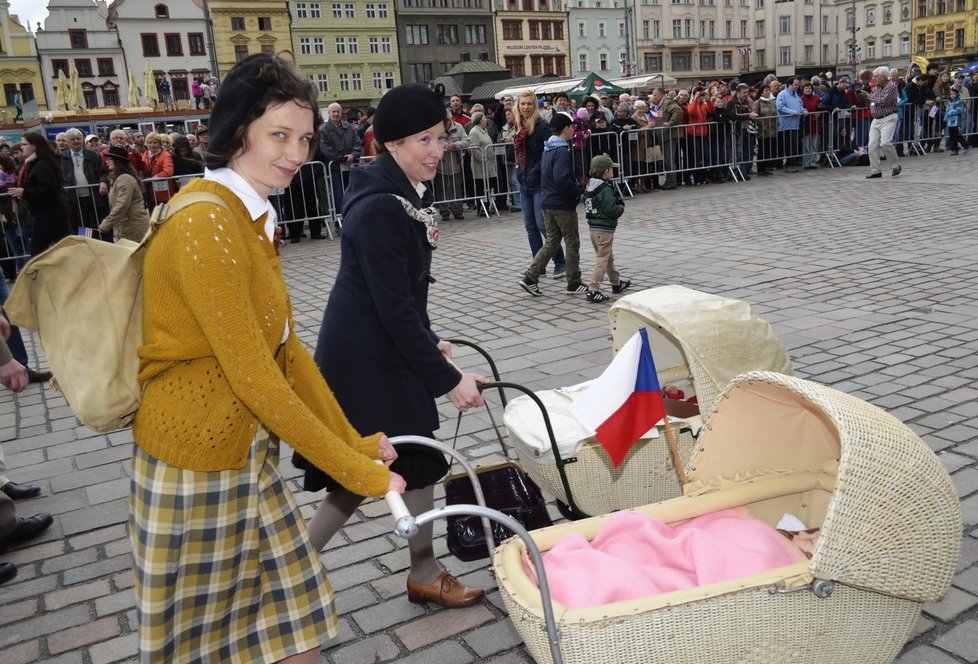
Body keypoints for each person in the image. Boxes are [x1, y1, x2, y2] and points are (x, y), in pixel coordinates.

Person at [130, 53, 404, 664]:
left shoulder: (251, 217)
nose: (296, 152)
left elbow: (286, 356)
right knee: (210, 647)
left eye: (304, 138)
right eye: (278, 135)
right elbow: (252, 374)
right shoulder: (207, 221)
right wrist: (356, 470)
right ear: (235, 133)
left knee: (295, 625)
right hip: (195, 468)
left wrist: (353, 441)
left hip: (245, 458)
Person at [292, 83, 486, 609]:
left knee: (411, 460)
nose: (436, 151)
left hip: (382, 347)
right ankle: (290, 577)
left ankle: (422, 571)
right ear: (392, 143)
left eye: (441, 138)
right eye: (423, 139)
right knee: (369, 469)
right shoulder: (381, 205)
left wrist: (432, 341)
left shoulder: (399, 191)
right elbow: (392, 308)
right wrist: (448, 381)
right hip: (364, 359)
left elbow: (401, 299)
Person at [518, 112, 586, 296]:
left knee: (552, 241)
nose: (574, 130)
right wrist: (576, 194)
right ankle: (574, 281)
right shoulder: (561, 150)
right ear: (566, 128)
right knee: (572, 242)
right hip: (561, 204)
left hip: (547, 202)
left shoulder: (548, 148)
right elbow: (561, 178)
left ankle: (530, 276)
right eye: (572, 127)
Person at [514, 90, 565, 278]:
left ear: (534, 105)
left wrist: (538, 170)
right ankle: (538, 266)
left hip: (538, 181)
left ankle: (561, 262)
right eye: (523, 104)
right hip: (524, 180)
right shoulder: (519, 125)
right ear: (518, 106)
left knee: (543, 225)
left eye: (529, 104)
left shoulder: (542, 125)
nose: (526, 107)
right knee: (530, 226)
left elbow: (549, 151)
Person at [9, 132, 70, 257]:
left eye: (24, 144)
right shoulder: (34, 164)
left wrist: (25, 192)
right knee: (65, 248)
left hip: (49, 214)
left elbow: (49, 189)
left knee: (38, 253)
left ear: (35, 146)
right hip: (47, 213)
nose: (22, 147)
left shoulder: (42, 165)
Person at [582, 154, 630, 304]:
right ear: (605, 172)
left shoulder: (590, 186)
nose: (613, 172)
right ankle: (593, 289)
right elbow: (611, 209)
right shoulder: (605, 188)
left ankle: (616, 283)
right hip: (604, 229)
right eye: (611, 170)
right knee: (602, 259)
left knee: (607, 256)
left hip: (593, 229)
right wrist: (620, 208)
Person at [61, 128, 110, 239]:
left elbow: (103, 172)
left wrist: (103, 182)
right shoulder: (62, 158)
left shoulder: (93, 155)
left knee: (100, 223)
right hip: (75, 199)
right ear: (68, 142)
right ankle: (89, 246)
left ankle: (105, 244)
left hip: (95, 197)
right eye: (72, 139)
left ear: (82, 140)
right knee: (83, 226)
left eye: (78, 138)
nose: (76, 141)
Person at [318, 102, 362, 222]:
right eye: (334, 111)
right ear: (329, 113)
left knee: (352, 193)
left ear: (341, 113)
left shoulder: (349, 127)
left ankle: (353, 219)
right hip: (335, 168)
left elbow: (358, 143)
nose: (336, 114)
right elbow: (325, 149)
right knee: (338, 195)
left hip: (350, 167)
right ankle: (340, 221)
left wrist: (353, 155)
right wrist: (341, 158)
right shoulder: (323, 130)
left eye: (338, 111)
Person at [99, 145, 150, 242]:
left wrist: (106, 223)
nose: (107, 161)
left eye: (110, 159)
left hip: (134, 227)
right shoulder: (117, 178)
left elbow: (122, 204)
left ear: (117, 161)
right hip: (126, 227)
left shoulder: (125, 179)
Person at [866, 66, 901, 179]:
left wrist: (869, 96)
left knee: (885, 143)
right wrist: (871, 97)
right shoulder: (876, 88)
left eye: (876, 76)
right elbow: (875, 100)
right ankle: (875, 171)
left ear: (883, 76)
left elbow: (883, 101)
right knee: (872, 145)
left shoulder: (891, 87)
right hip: (876, 119)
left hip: (888, 117)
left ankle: (895, 166)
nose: (874, 78)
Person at [467, 111, 497, 216]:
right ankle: (482, 208)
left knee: (489, 185)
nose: (486, 119)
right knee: (481, 187)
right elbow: (474, 149)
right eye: (484, 117)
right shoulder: (474, 132)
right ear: (479, 119)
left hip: (489, 165)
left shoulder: (484, 130)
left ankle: (488, 206)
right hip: (480, 166)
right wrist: (483, 158)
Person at [141, 132, 175, 208]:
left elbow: (169, 171)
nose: (152, 145)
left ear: (160, 144)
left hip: (163, 193)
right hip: (149, 192)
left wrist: (153, 179)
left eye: (155, 143)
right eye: (150, 143)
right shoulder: (146, 154)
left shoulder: (166, 155)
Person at [944, 87, 969, 156]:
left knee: (958, 135)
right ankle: (954, 149)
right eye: (951, 94)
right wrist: (945, 117)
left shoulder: (960, 102)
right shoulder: (949, 102)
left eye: (954, 94)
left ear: (957, 94)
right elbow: (947, 110)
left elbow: (960, 110)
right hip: (950, 122)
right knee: (952, 136)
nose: (952, 95)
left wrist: (950, 112)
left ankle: (966, 146)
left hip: (956, 122)